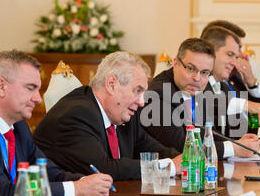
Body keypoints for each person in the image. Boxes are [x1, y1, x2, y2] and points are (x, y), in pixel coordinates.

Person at [0, 50, 113, 196]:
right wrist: (75, 190)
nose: (38, 99)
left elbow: (47, 173)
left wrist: (84, 181)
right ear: (1, 86)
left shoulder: (19, 126)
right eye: (30, 88)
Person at [33, 51, 181, 180]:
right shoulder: (77, 114)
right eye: (137, 90)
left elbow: (154, 150)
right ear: (111, 84)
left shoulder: (124, 114)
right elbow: (104, 169)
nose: (142, 102)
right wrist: (170, 166)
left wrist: (188, 160)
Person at [141, 38, 258, 160]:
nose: (197, 78)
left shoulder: (197, 89)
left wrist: (239, 143)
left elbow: (208, 134)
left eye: (204, 72)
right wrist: (233, 148)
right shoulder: (158, 94)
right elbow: (182, 146)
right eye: (191, 69)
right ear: (176, 63)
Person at [201, 26, 260, 134]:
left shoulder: (232, 79)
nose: (236, 59)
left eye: (237, 54)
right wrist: (248, 105)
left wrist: (252, 82)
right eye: (230, 54)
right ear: (211, 50)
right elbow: (209, 102)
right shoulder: (197, 79)